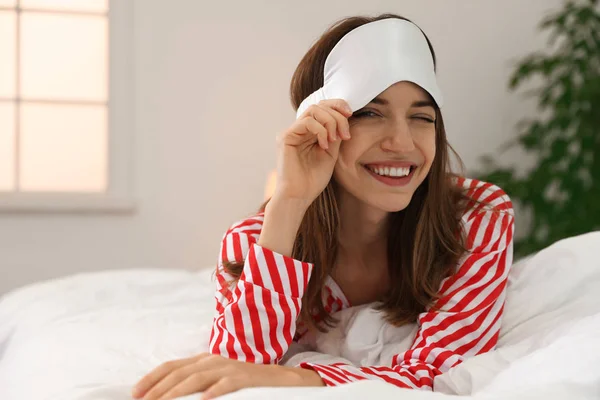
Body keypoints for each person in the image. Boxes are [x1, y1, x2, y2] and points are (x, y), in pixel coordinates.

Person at [132, 13, 514, 400]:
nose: (401, 142)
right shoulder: (251, 240)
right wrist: (290, 200)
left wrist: (301, 379)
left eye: (421, 117)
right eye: (369, 113)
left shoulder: (476, 216)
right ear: (319, 125)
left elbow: (443, 371)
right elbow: (237, 366)